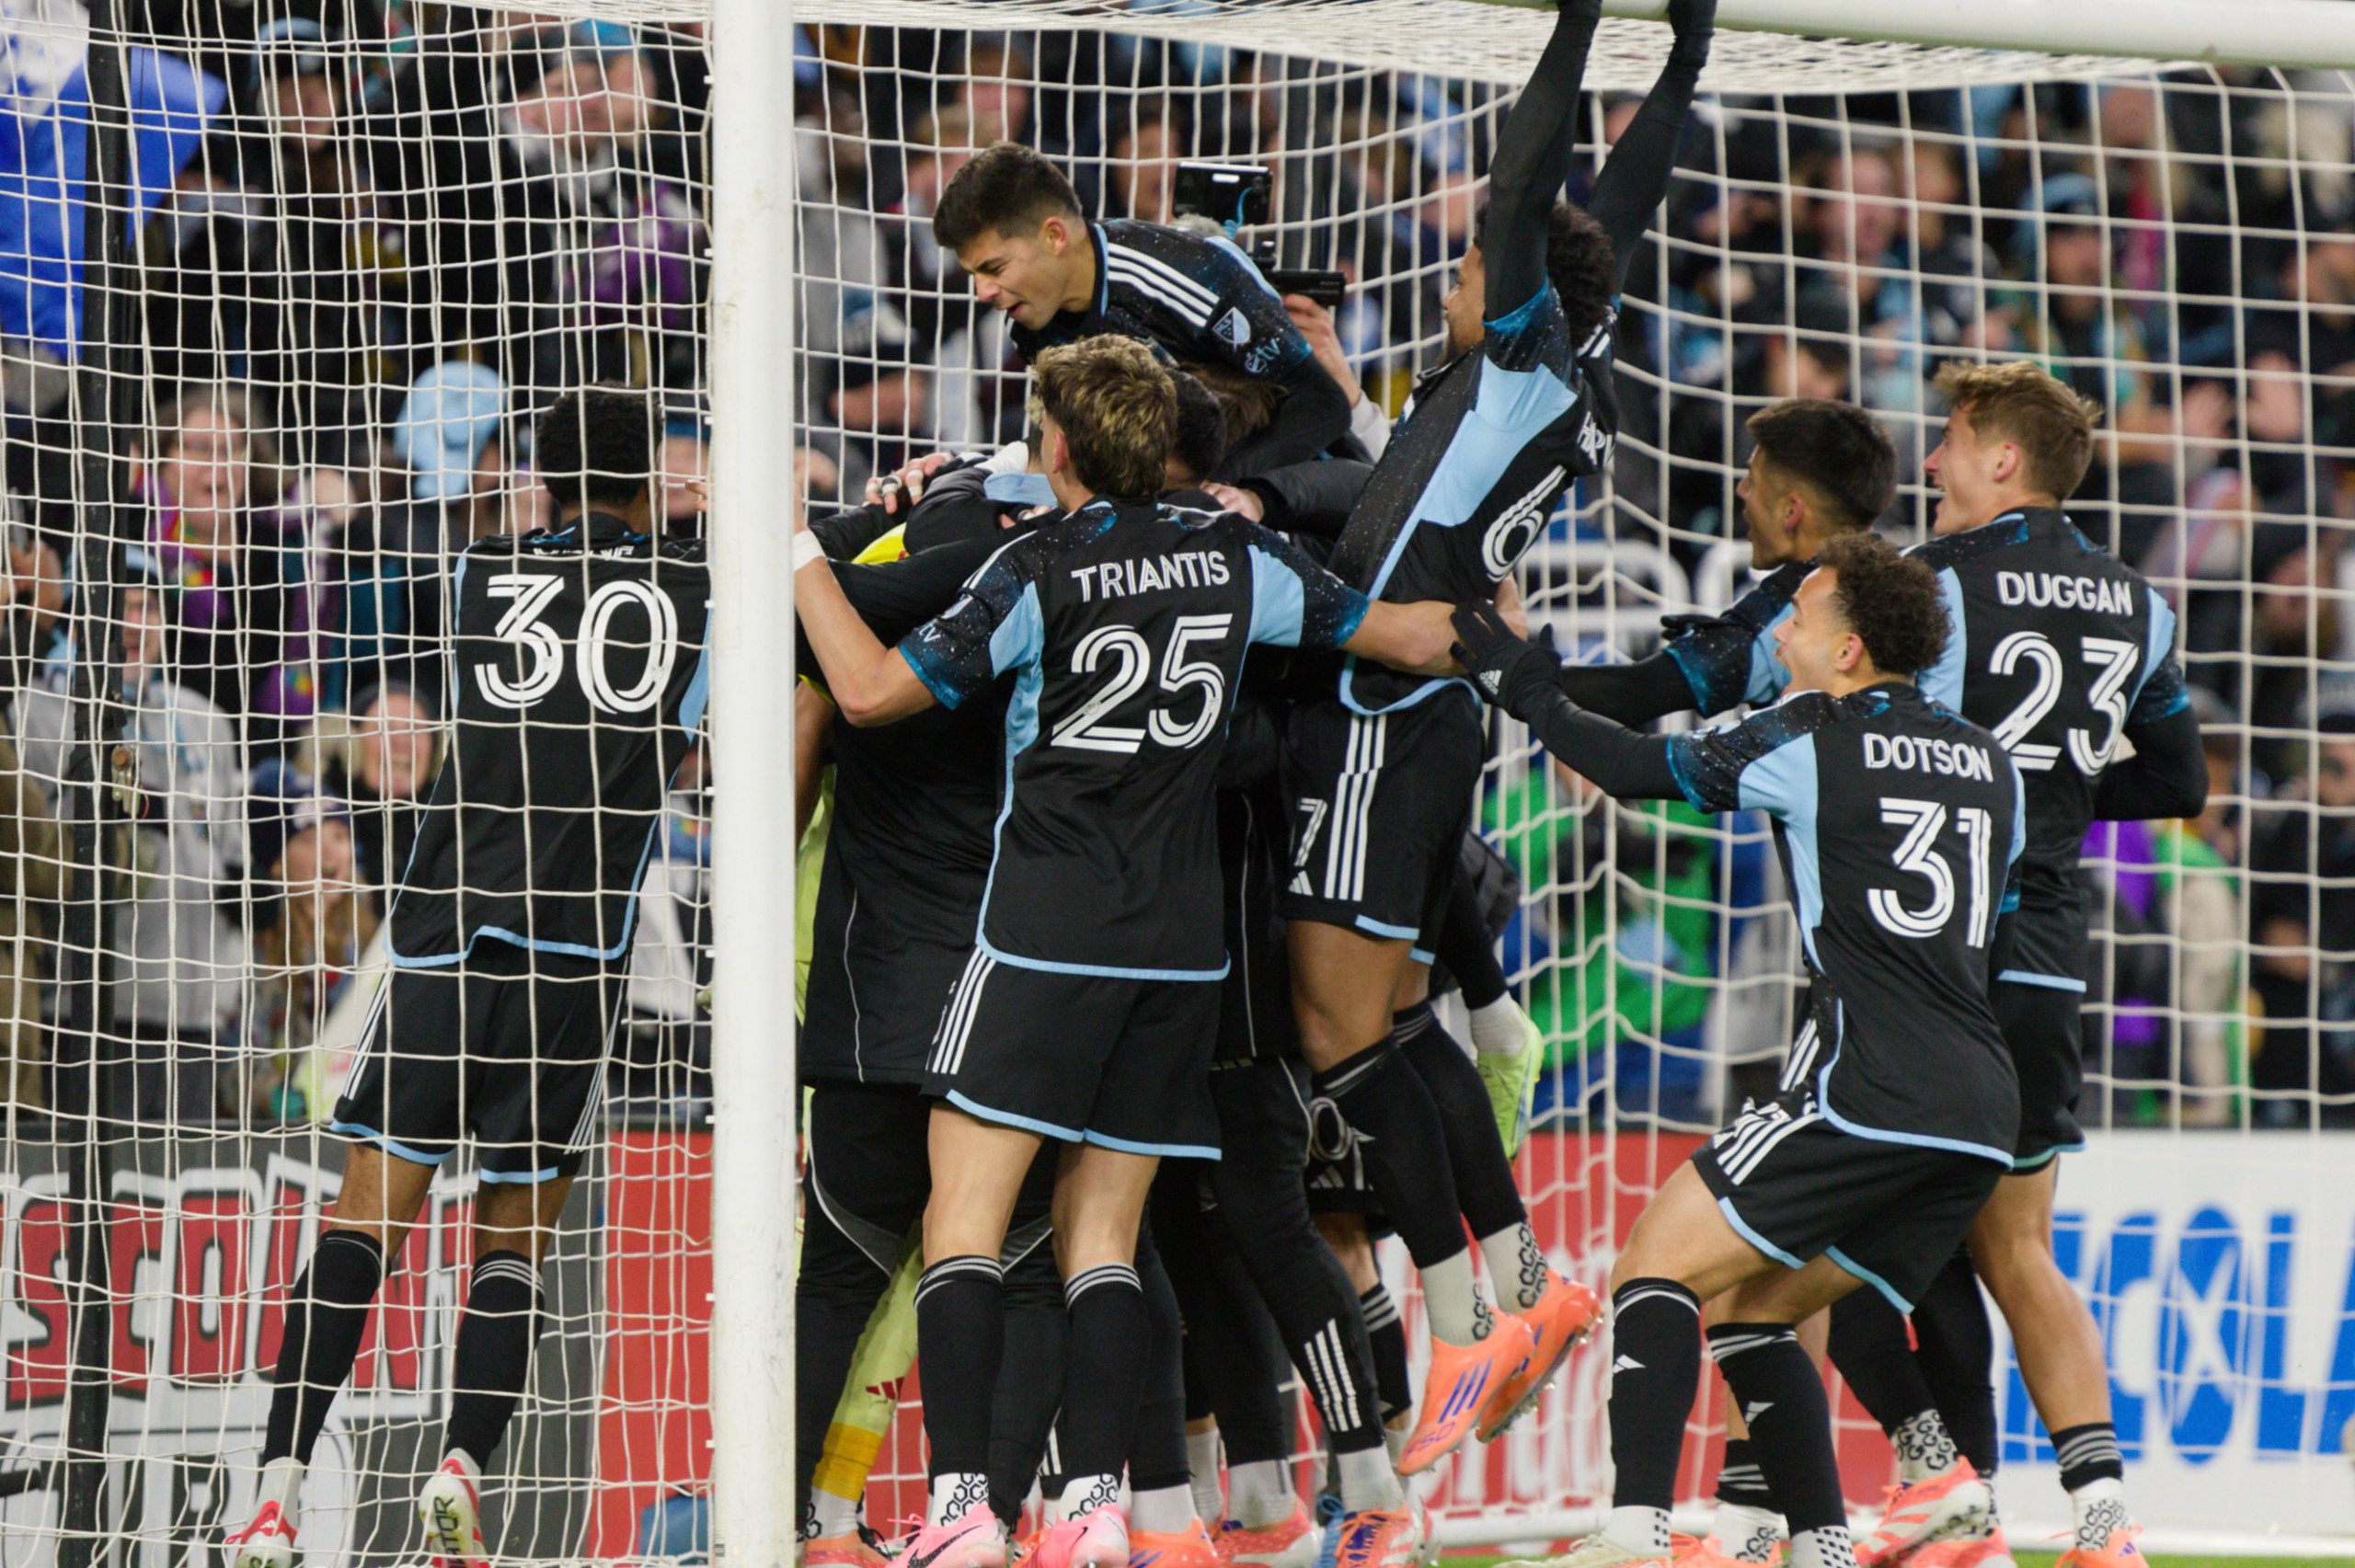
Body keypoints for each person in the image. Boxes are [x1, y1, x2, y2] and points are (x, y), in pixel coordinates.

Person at [789, 334, 1454, 1568]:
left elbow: (873, 692)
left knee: (967, 1224)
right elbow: (1408, 639)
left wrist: (794, 553)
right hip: (1181, 959)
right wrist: (1508, 638)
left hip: (1042, 940)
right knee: (1103, 1237)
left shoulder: (1034, 566)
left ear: (1057, 446)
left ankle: (963, 1513)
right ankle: (1098, 1503)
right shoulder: (1238, 557)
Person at [1276, 0, 1712, 1475]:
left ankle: (1470, 1311)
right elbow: (1620, 206)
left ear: (1514, 288)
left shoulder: (1520, 360)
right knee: (1396, 1020)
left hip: (1383, 712)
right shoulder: (1560, 381)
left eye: (1467, 265)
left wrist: (1580, 21)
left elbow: (1531, 187)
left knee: (1339, 1025)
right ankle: (1519, 1287)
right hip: (1434, 715)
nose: (1459, 275)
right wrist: (1686, 52)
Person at [1449, 532, 2025, 1568]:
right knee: (1756, 1313)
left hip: (1865, 1086)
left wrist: (1524, 685)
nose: (1784, 631)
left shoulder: (1808, 741)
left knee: (1652, 1269)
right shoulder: (1991, 763)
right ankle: (1824, 1546)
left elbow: (1626, 766)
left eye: (1800, 615)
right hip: (1981, 1107)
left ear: (1847, 648)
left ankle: (1630, 1534)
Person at [220, 386, 709, 1568]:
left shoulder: (477, 575)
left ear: (538, 479)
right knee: (512, 1240)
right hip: (578, 955)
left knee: (368, 1217)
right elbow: (686, 738)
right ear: (650, 479)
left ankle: (279, 1488)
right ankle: (461, 1472)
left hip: (443, 937)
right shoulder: (700, 597)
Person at [929, 140, 1354, 474]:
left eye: (995, 268)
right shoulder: (1032, 325)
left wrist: (1217, 486)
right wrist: (963, 474)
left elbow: (1323, 405)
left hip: (1293, 491)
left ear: (1055, 237)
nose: (983, 292)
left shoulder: (1189, 274)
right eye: (973, 275)